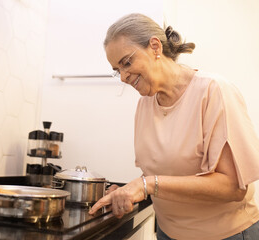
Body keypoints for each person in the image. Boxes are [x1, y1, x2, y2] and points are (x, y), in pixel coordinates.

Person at [88, 13, 259, 240]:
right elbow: (163, 172)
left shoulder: (213, 91)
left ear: (155, 47)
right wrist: (129, 191)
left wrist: (147, 184)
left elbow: (234, 188)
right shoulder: (144, 104)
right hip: (168, 233)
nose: (123, 77)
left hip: (226, 235)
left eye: (126, 62)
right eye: (117, 70)